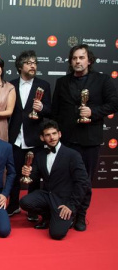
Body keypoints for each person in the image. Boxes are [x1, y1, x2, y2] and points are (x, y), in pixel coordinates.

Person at [52, 44, 118, 231]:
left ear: (89, 60)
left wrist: (93, 112)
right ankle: (65, 212)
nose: (78, 61)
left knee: (85, 180)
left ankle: (81, 215)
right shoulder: (62, 82)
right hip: (67, 140)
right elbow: (56, 112)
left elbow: (114, 104)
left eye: (81, 58)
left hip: (90, 140)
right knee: (65, 179)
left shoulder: (102, 80)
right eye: (74, 58)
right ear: (71, 61)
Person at [20, 120, 88, 240]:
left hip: (64, 200)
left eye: (54, 133)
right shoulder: (40, 155)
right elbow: (34, 177)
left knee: (57, 234)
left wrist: (71, 206)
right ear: (42, 138)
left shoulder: (72, 155)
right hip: (48, 195)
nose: (52, 137)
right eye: (48, 135)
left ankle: (72, 216)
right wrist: (27, 173)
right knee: (25, 202)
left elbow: (82, 183)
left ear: (59, 134)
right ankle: (47, 217)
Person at [7, 50, 52, 221]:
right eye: (29, 62)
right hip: (15, 139)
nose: (33, 65)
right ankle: (13, 205)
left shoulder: (44, 85)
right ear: (20, 66)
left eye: (35, 62)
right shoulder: (10, 85)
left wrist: (43, 109)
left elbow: (51, 110)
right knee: (14, 173)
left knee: (34, 175)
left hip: (35, 138)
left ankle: (33, 208)